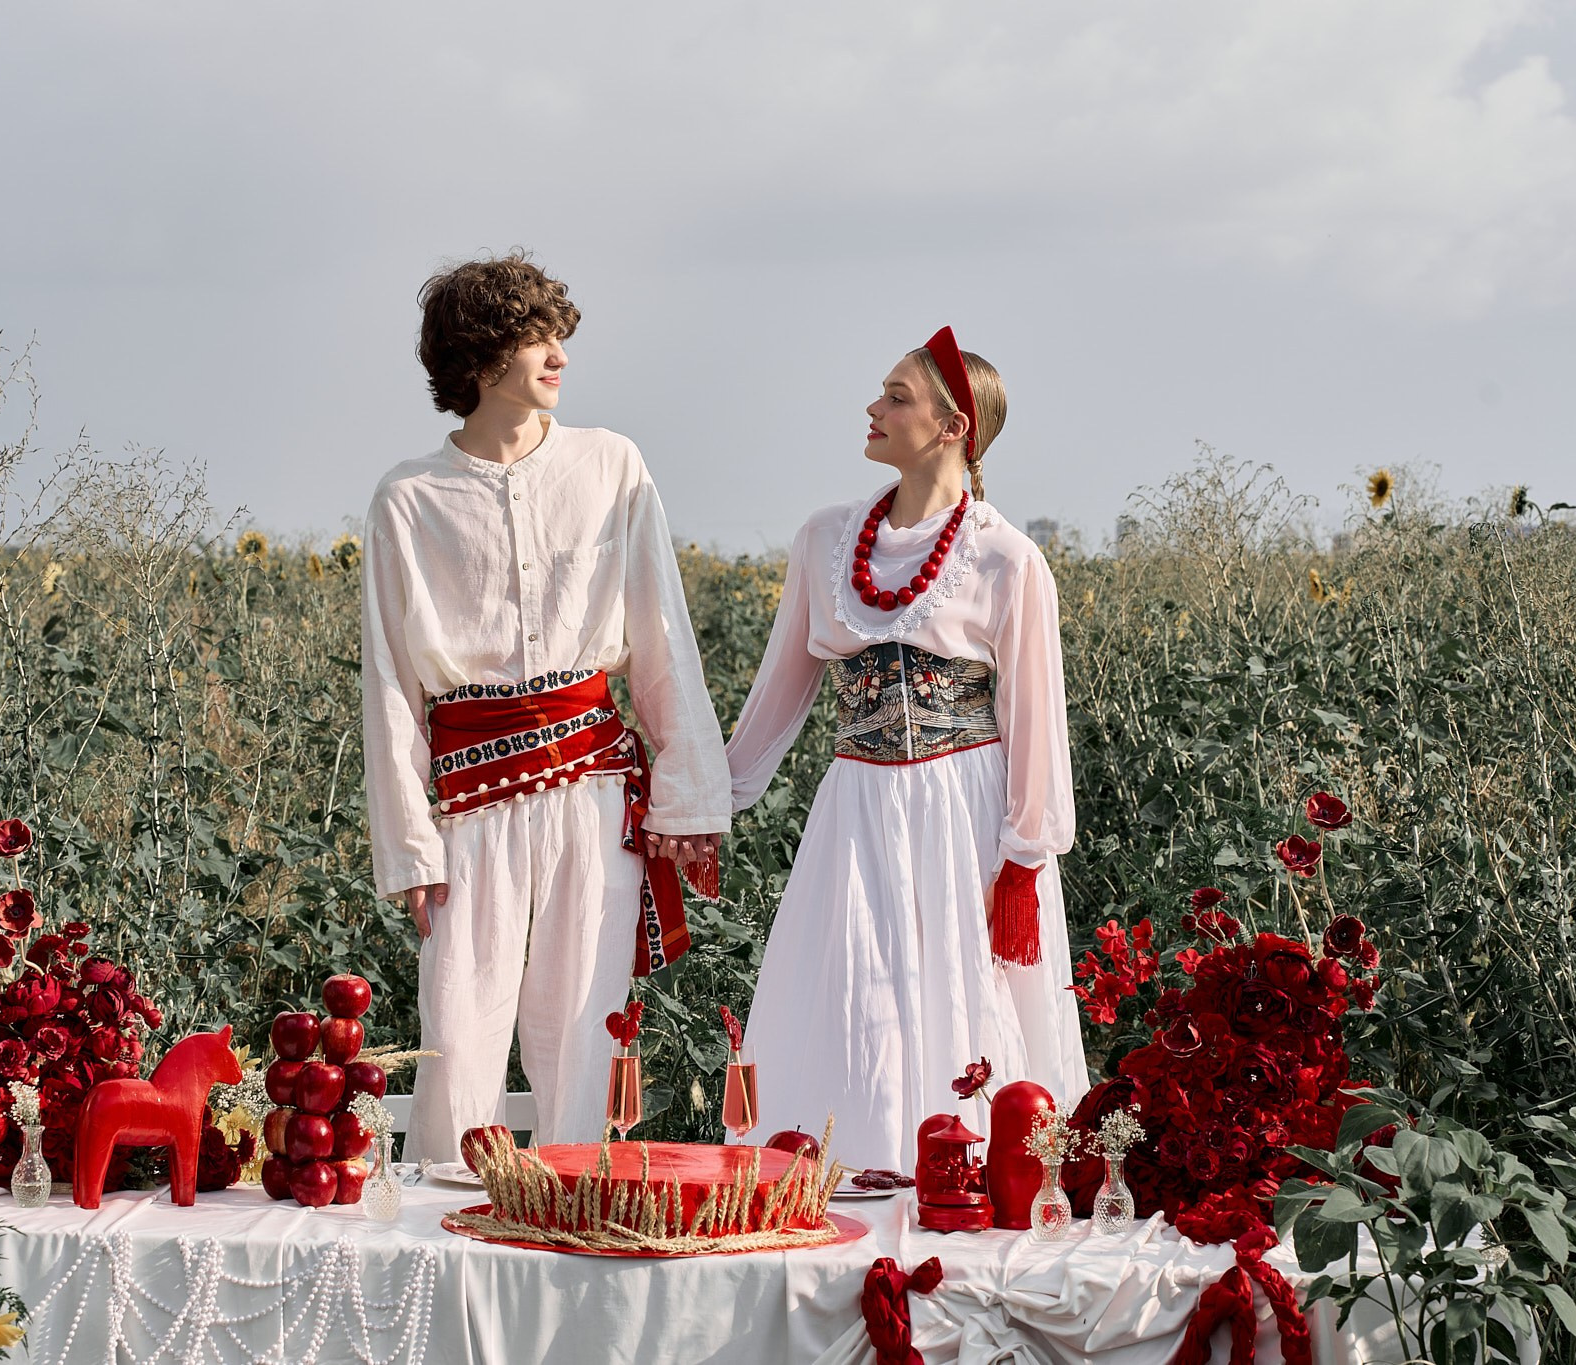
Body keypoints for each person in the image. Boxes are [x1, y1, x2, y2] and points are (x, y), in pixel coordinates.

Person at [361, 253, 731, 1163]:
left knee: (584, 1026)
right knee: (458, 1024)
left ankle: (574, 1232)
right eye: (533, 336)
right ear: (480, 360)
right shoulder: (408, 499)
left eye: (558, 330)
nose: (558, 352)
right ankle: (441, 1249)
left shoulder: (612, 464)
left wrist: (685, 799)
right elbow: (390, 687)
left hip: (593, 792)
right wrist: (410, 846)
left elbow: (660, 637)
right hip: (471, 804)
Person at [725, 327, 1087, 1174]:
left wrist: (1025, 859)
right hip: (856, 808)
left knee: (963, 1003)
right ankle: (844, 1186)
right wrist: (709, 796)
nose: (872, 407)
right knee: (853, 1000)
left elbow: (1036, 717)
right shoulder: (824, 541)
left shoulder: (1007, 558)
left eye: (895, 395)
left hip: (964, 815)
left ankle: (961, 1196)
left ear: (953, 424)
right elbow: (778, 697)